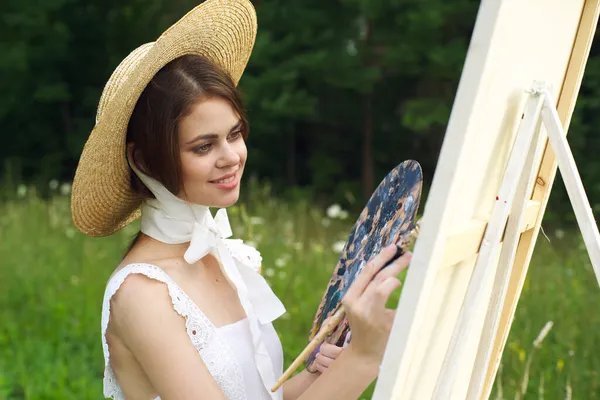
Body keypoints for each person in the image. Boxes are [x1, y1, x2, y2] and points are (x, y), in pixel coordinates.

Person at [70, 1, 412, 399]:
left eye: (234, 134)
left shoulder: (227, 257)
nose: (231, 156)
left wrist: (326, 373)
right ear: (144, 159)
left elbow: (264, 395)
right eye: (203, 146)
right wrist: (365, 358)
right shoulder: (142, 294)